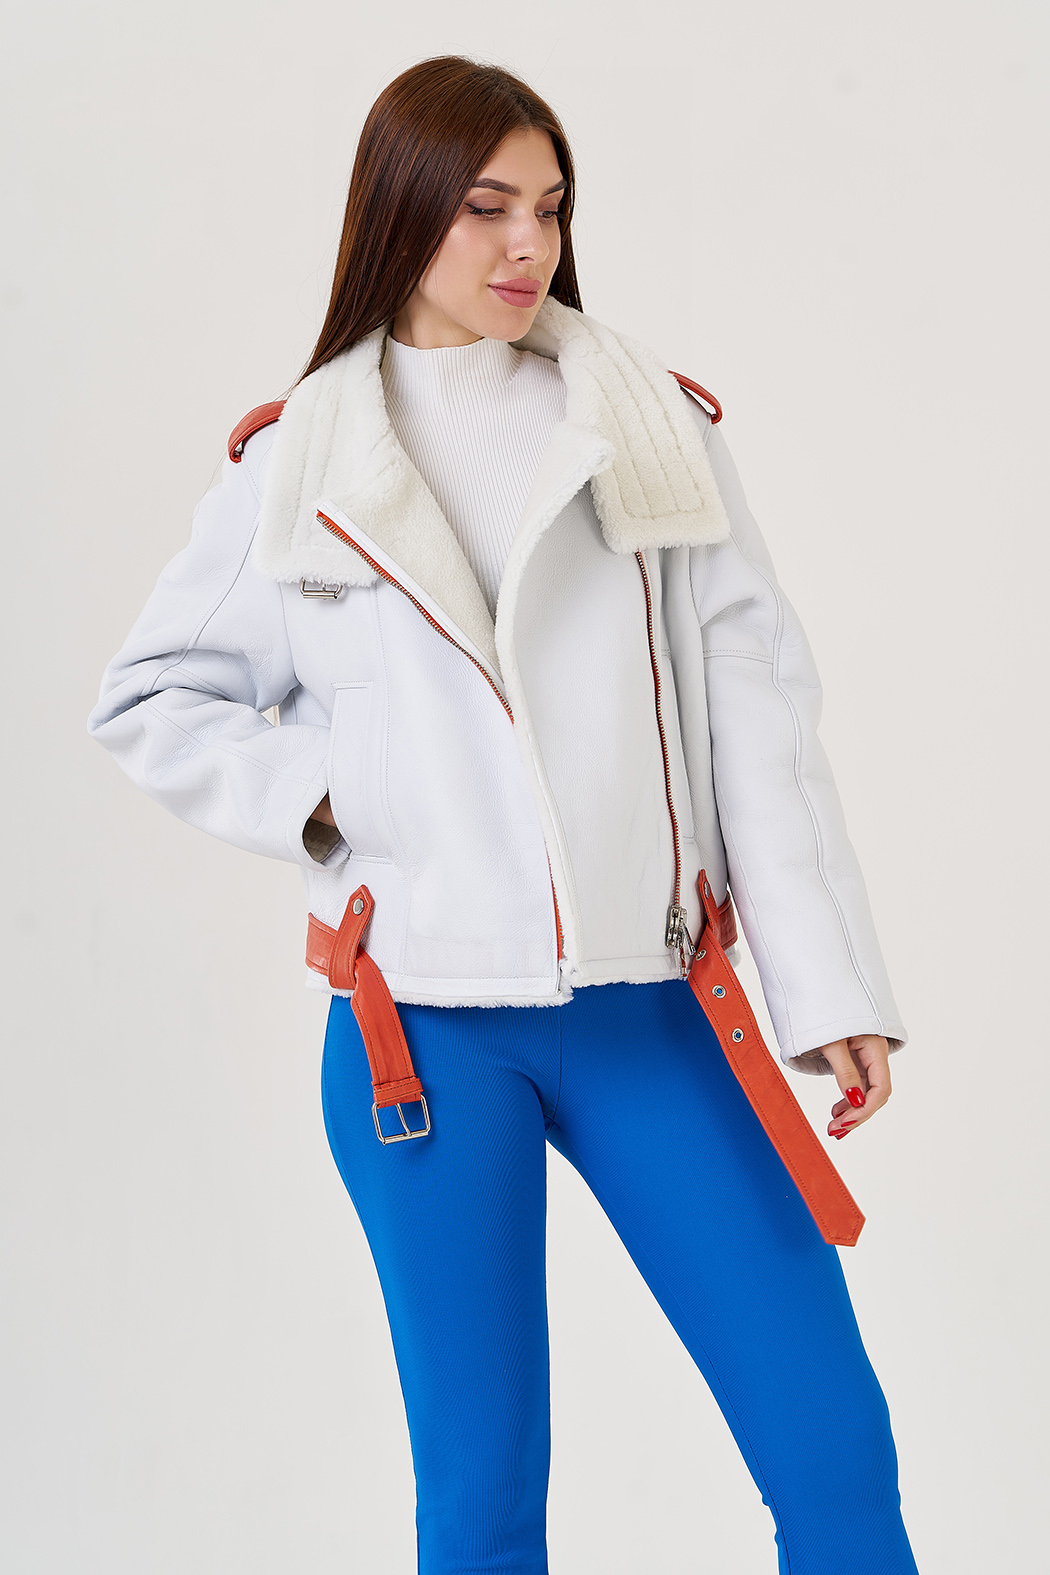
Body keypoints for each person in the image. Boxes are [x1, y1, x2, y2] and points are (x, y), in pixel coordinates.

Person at [88, 53, 919, 1575]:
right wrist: (343, 795)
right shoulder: (296, 462)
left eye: (549, 206)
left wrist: (830, 990)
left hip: (655, 1009)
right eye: (485, 207)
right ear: (401, 210)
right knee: (481, 1500)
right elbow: (151, 698)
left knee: (835, 1458)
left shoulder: (648, 424)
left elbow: (761, 727)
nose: (526, 244)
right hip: (420, 1038)